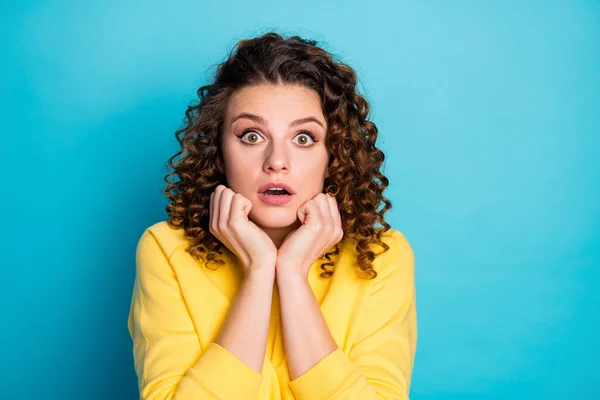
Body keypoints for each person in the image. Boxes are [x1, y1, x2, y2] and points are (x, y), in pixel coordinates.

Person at [127, 32, 417, 400]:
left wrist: (293, 274)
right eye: (251, 136)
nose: (276, 162)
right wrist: (260, 269)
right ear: (219, 151)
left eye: (303, 138)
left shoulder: (381, 256)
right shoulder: (167, 250)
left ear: (334, 155)